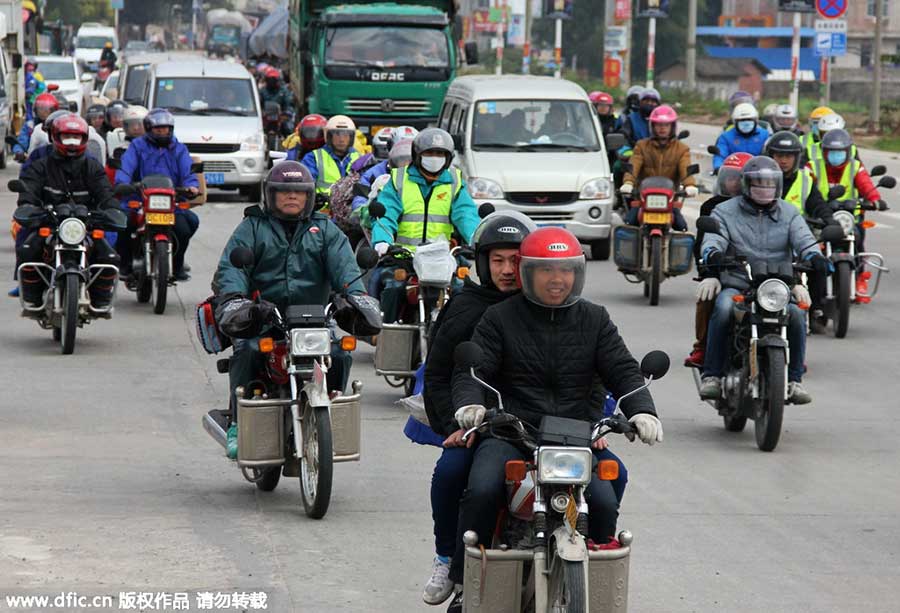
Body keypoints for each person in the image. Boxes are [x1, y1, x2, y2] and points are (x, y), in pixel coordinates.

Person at [445, 227, 663, 611]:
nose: (557, 279)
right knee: (480, 488)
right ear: (527, 272)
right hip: (512, 431)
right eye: (547, 271)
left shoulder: (595, 319)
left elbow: (624, 370)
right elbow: (471, 370)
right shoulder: (499, 318)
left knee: (606, 499)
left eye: (565, 270)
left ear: (577, 273)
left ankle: (592, 581)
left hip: (574, 438)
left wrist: (642, 409)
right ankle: (466, 582)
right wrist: (471, 404)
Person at [419, 210, 537, 605]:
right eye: (498, 260)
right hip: (477, 423)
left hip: (542, 424)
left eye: (516, 261)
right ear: (483, 263)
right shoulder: (465, 306)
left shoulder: (550, 302)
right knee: (451, 473)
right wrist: (452, 426)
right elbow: (437, 375)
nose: (507, 270)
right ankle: (447, 556)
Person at [211, 161, 366, 458]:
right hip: (264, 318)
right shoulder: (252, 227)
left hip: (314, 321)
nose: (291, 196)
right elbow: (231, 269)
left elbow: (345, 269)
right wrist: (236, 300)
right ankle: (237, 422)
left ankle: (329, 403)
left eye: (298, 191)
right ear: (271, 195)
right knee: (247, 351)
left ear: (308, 196)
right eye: (284, 191)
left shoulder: (325, 230)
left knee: (339, 354)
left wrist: (355, 296)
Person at [697, 156, 830, 405]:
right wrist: (712, 254)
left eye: (770, 184)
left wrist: (816, 257)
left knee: (798, 316)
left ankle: (794, 380)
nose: (764, 188)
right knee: (724, 308)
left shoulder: (789, 213)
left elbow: (804, 240)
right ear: (746, 184)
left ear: (778, 186)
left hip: (777, 285)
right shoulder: (725, 211)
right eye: (759, 183)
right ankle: (712, 375)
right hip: (738, 282)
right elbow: (713, 239)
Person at [368, 128, 480, 319]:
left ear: (448, 157)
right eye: (429, 153)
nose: (434, 158)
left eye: (440, 154)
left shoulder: (455, 181)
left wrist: (477, 239)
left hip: (443, 258)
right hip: (404, 257)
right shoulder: (399, 180)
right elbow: (386, 214)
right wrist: (382, 240)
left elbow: (466, 215)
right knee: (393, 287)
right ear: (417, 155)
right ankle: (386, 334)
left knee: (463, 289)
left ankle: (459, 337)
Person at [15, 114, 121, 308]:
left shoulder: (93, 167)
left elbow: (105, 193)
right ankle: (32, 297)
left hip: (85, 225)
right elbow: (29, 190)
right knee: (27, 250)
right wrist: (28, 206)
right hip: (49, 222)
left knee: (110, 256)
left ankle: (100, 300)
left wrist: (112, 209)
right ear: (55, 137)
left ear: (84, 139)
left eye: (77, 137)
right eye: (67, 137)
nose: (72, 143)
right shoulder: (40, 166)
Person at [115, 108, 200, 281]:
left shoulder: (179, 149)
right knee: (122, 222)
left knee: (188, 224)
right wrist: (123, 184)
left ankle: (177, 264)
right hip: (140, 200)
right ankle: (125, 263)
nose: (163, 131)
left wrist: (191, 187)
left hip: (170, 202)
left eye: (166, 128)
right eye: (158, 128)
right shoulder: (137, 146)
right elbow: (126, 168)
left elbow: (188, 173)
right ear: (149, 128)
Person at [685, 152, 752, 368]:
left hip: (755, 270)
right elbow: (701, 244)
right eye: (729, 177)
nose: (732, 183)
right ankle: (702, 347)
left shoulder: (761, 205)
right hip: (723, 268)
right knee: (707, 297)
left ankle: (785, 350)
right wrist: (708, 274)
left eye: (738, 178)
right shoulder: (711, 207)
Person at [814, 129, 888, 302]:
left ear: (848, 152)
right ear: (824, 152)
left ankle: (860, 278)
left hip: (848, 218)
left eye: (840, 152)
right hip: (821, 219)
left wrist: (875, 200)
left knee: (859, 236)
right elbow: (807, 186)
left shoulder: (855, 166)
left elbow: (866, 185)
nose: (836, 156)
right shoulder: (814, 166)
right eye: (832, 152)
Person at [620, 105, 697, 230]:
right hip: (644, 198)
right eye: (658, 125)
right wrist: (628, 182)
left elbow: (685, 168)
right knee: (629, 224)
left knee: (681, 227)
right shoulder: (641, 146)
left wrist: (690, 185)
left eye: (666, 125)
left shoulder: (682, 149)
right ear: (652, 126)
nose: (662, 128)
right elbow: (634, 165)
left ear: (672, 127)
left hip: (670, 199)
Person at [300, 115, 361, 200]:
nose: (341, 139)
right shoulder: (313, 158)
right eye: (337, 134)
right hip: (322, 209)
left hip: (351, 209)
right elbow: (304, 186)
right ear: (328, 136)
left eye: (346, 135)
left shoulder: (359, 158)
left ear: (351, 137)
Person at [351, 138, 414, 212]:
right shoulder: (375, 174)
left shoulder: (426, 176)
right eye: (401, 159)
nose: (406, 164)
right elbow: (359, 199)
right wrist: (367, 213)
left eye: (410, 160)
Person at [713, 103, 768, 171]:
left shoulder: (765, 135)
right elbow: (720, 154)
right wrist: (718, 167)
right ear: (734, 122)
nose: (746, 123)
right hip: (733, 173)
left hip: (758, 173)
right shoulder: (726, 137)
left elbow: (771, 155)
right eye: (742, 120)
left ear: (756, 120)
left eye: (749, 119)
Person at [12, 93, 58, 162]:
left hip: (56, 161)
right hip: (34, 161)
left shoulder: (58, 125)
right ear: (35, 110)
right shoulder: (30, 125)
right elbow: (22, 142)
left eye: (46, 109)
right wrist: (19, 152)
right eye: (40, 109)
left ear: (53, 110)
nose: (43, 112)